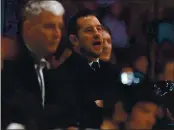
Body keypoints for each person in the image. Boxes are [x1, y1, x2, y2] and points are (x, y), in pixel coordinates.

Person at [2, 1, 78, 129]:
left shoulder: (51, 68)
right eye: (49, 26)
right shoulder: (10, 68)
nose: (57, 34)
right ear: (28, 28)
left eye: (60, 27)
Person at [54, 9, 121, 128]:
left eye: (99, 29)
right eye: (89, 30)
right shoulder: (62, 77)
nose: (97, 34)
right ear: (74, 40)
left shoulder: (111, 72)